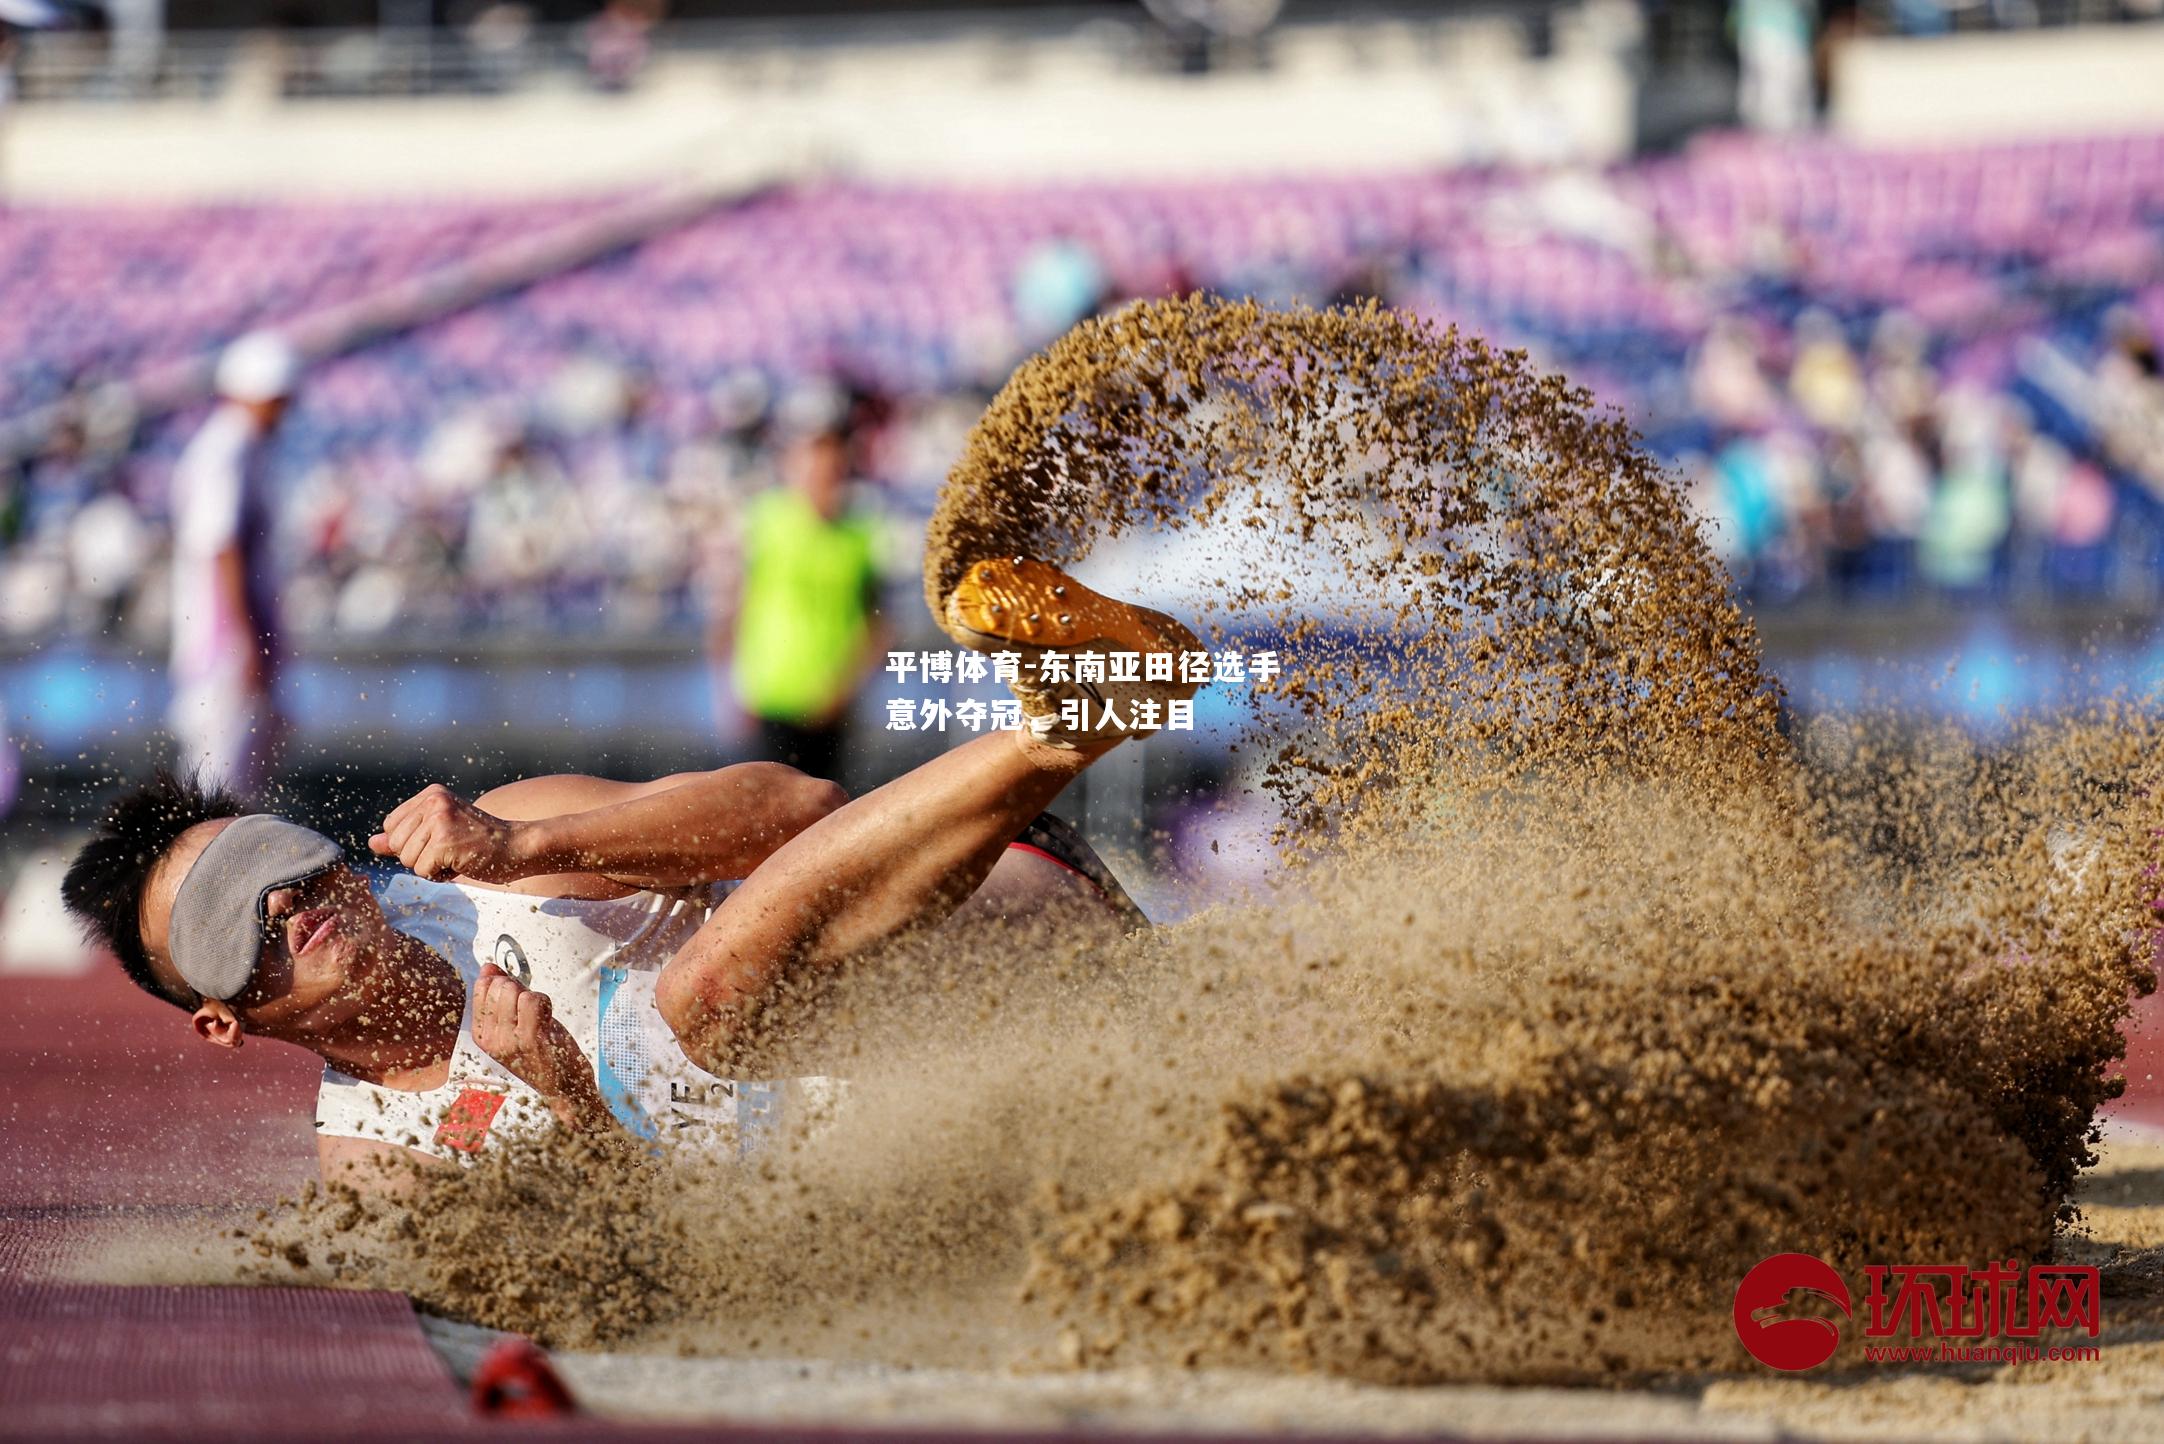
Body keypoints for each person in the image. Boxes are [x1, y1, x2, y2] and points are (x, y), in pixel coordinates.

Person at [61, 559, 1197, 1186]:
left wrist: (526, 849)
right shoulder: (375, 1166)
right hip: (984, 1141)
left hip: (993, 937)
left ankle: (1081, 716)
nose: (278, 904)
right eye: (231, 926)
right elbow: (626, 1276)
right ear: (221, 1020)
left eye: (271, 865)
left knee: (705, 994)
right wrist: (562, 1091)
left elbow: (803, 810)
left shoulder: (489, 850)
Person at [715, 385, 889, 783]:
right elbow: (733, 606)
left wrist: (845, 689)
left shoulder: (861, 534)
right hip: (769, 699)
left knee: (824, 818)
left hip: (830, 708)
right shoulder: (765, 521)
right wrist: (728, 690)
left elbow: (877, 625)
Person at [168, 332, 298, 795]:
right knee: (217, 780)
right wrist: (247, 641)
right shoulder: (227, 450)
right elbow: (221, 546)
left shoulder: (244, 447)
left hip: (235, 635)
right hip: (222, 640)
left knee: (247, 765)